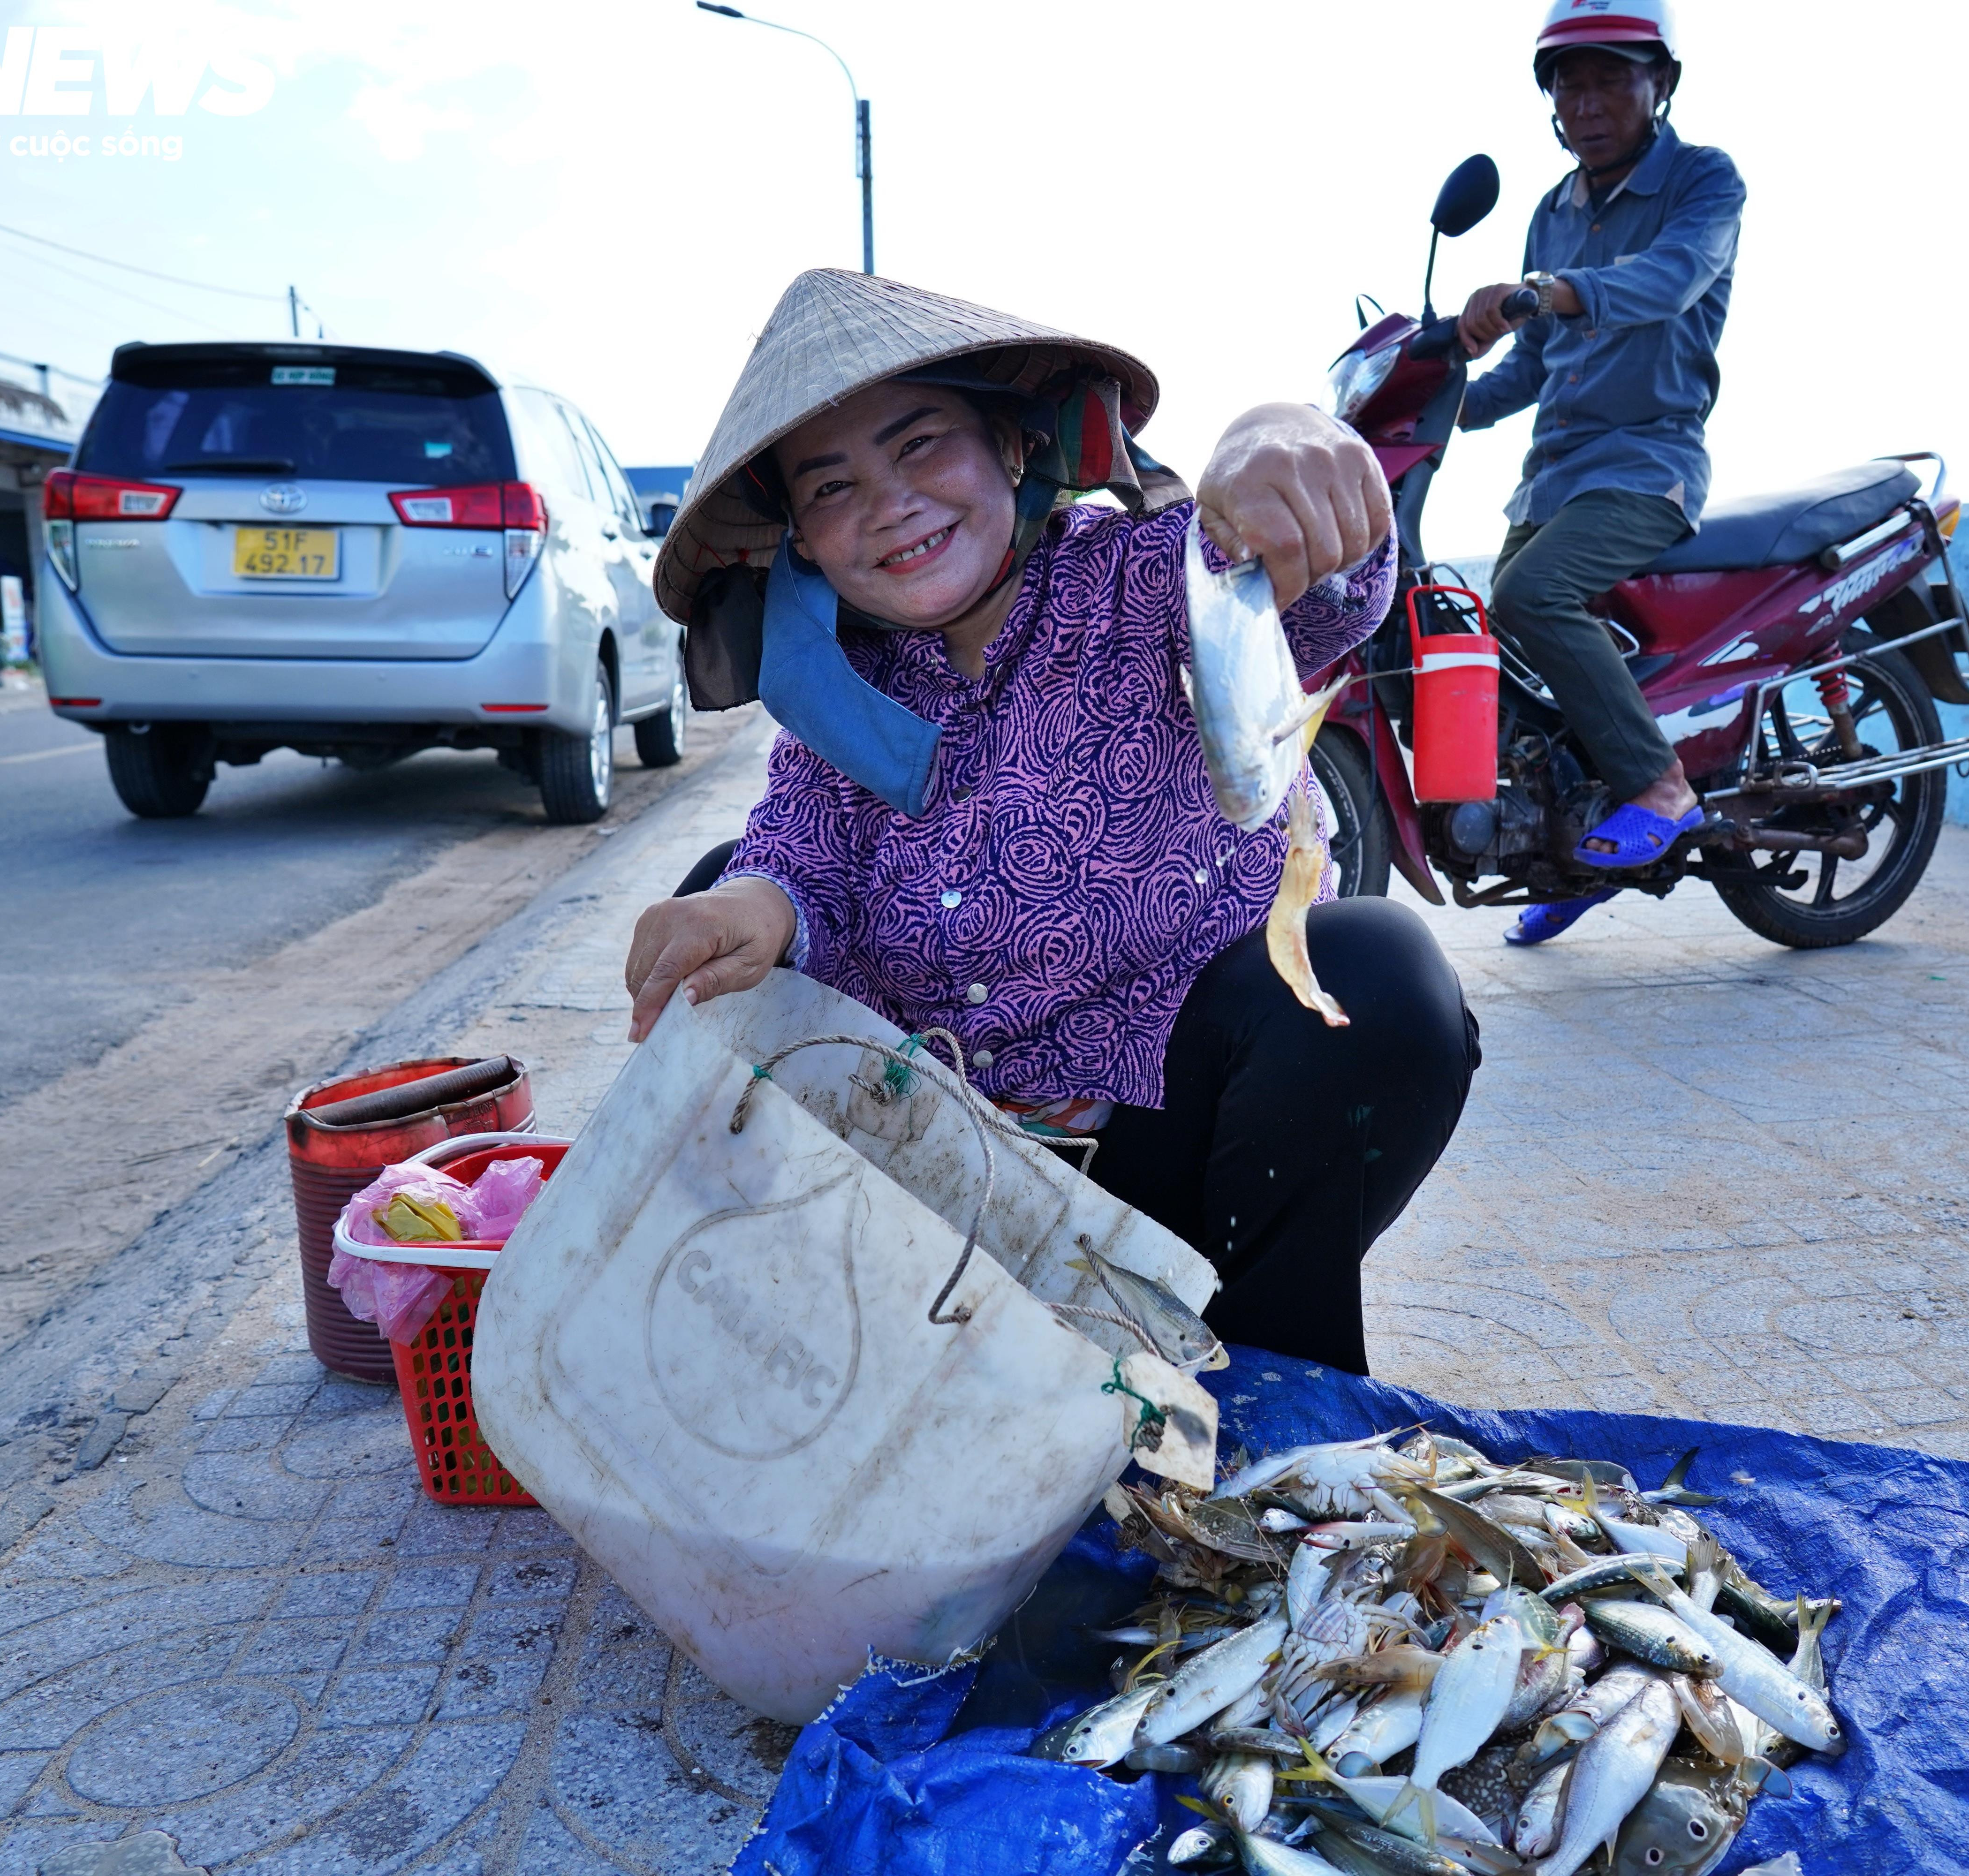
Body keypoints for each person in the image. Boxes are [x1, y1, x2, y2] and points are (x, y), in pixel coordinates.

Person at [623, 270, 1480, 1375]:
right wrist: (749, 899)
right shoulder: (840, 688)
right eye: (831, 489)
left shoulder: (1143, 577)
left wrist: (1284, 440)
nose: (887, 503)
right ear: (802, 543)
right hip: (944, 1183)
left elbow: (1311, 595)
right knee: (722, 890)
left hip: (1167, 1151)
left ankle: (1275, 1396)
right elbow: (803, 856)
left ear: (1011, 445)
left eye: (922, 443)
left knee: (1379, 971)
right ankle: (868, 1351)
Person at [1455, 0, 1745, 945]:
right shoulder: (1554, 211)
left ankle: (1661, 786)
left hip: (1647, 462)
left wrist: (1547, 292)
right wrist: (1442, 398)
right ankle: (1579, 851)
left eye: (1612, 76)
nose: (1588, 100)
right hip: (1554, 475)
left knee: (1533, 592)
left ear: (1659, 83)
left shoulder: (1702, 183)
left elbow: (1670, 279)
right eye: (1569, 80)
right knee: (1506, 658)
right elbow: (1533, 366)